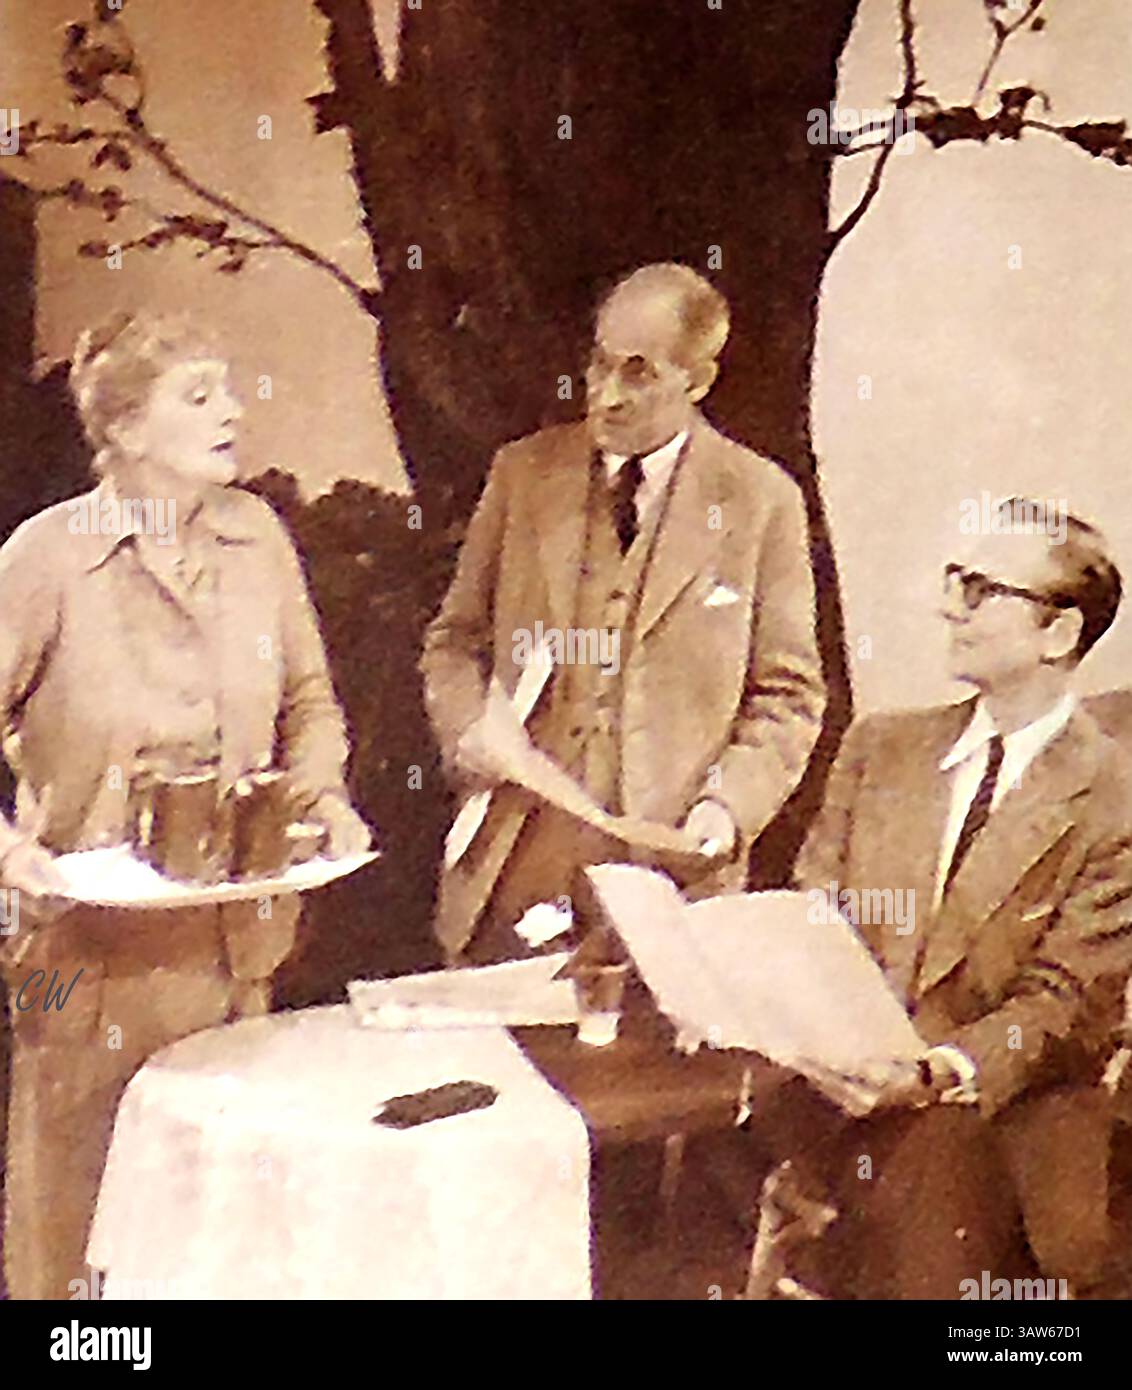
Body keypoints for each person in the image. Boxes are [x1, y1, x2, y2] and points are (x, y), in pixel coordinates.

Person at [0, 310, 370, 1299]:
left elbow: (309, 702)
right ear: (122, 429)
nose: (232, 411)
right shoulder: (47, 559)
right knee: (80, 1249)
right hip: (84, 972)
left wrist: (323, 792)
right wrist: (7, 852)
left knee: (217, 1246)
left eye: (228, 388)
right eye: (198, 395)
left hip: (241, 959)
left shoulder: (259, 539)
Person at [422, 263, 825, 964]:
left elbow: (788, 696)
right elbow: (452, 642)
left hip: (670, 887)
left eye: (639, 374)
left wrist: (725, 813)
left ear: (697, 381)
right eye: (599, 364)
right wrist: (467, 729)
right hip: (513, 874)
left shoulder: (763, 501)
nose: (605, 396)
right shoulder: (523, 475)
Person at [778, 501, 1132, 1298]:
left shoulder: (1115, 794)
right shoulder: (881, 748)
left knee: (934, 1178)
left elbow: (1061, 1004)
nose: (949, 607)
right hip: (835, 1081)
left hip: (1004, 1101)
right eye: (953, 582)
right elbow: (813, 918)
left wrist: (931, 1071)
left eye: (980, 590)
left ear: (1058, 634)